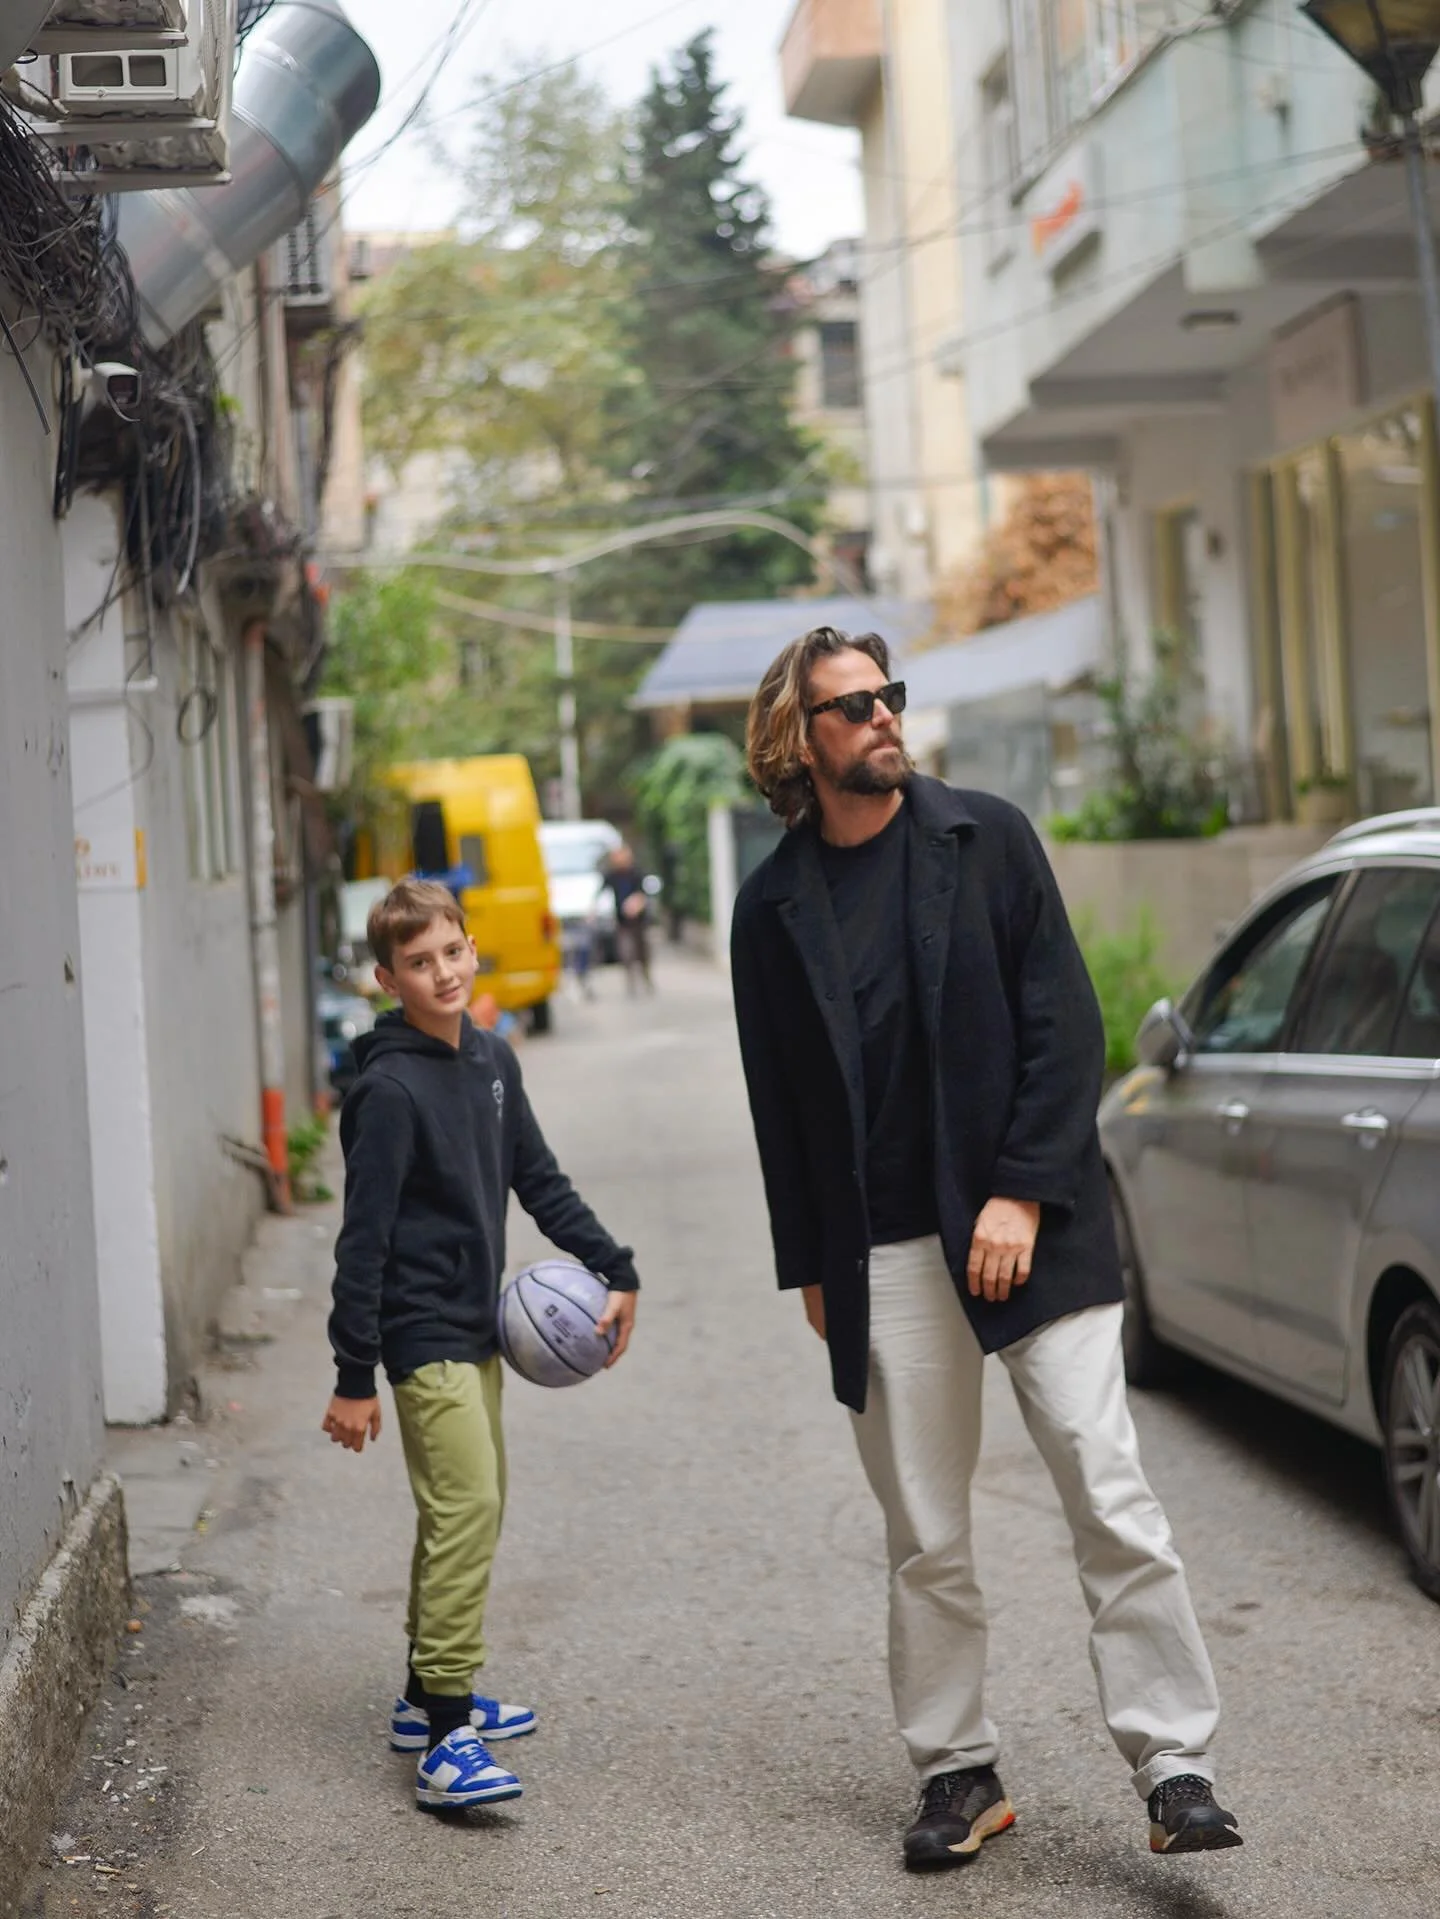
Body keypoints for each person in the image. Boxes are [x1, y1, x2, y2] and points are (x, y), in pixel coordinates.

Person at [729, 625, 1241, 1873]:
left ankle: (1175, 1761)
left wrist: (1019, 1193)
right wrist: (813, 1265)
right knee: (925, 1528)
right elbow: (779, 1106)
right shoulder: (772, 908)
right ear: (799, 741)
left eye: (889, 696)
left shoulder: (989, 837)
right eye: (852, 707)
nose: (885, 718)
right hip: (882, 1254)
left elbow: (1068, 1024)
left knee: (1105, 1486)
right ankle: (958, 1769)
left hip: (1032, 1230)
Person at [321, 878, 639, 1813]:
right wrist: (352, 1373)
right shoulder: (386, 1090)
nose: (443, 971)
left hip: (477, 1325)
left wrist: (616, 1266)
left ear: (470, 944)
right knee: (467, 1506)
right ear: (388, 977)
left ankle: (425, 1699)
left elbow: (535, 1177)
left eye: (451, 951)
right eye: (417, 962)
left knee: (468, 1510)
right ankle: (449, 1740)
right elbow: (362, 1237)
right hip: (421, 1332)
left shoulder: (494, 1058)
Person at [602, 843, 653, 995]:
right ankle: (631, 984)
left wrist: (637, 903)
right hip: (622, 921)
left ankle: (646, 979)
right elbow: (601, 891)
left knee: (642, 952)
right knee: (626, 952)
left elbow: (644, 893)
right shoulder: (612, 876)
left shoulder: (636, 873)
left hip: (639, 921)